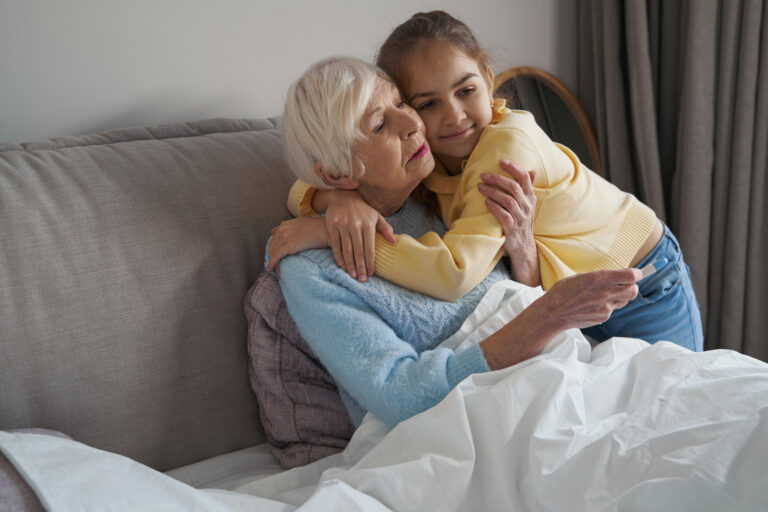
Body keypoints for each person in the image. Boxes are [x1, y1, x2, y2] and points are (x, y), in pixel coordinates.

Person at [280, 11, 703, 352]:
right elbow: (308, 183)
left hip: (642, 279)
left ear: (487, 76)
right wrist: (336, 202)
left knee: (678, 410)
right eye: (428, 103)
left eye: (466, 90)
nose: (454, 116)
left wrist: (324, 230)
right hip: (570, 299)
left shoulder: (505, 148)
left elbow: (454, 272)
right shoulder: (426, 159)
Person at [268, 56, 642, 428]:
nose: (414, 123)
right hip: (474, 421)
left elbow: (514, 294)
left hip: (565, 367)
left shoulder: (439, 185)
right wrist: (549, 316)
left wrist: (524, 251)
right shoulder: (312, 270)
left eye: (400, 103)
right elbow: (402, 396)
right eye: (380, 125)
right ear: (337, 171)